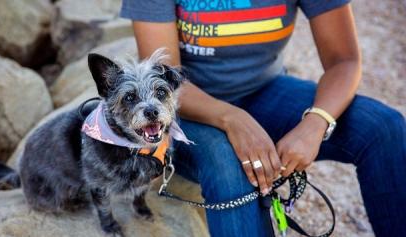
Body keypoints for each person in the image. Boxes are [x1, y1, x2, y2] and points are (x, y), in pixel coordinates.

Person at [120, 0, 406, 236]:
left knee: (384, 129)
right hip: (184, 107)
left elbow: (344, 60)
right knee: (228, 162)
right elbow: (165, 81)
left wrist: (316, 122)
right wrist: (234, 119)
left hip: (264, 90)